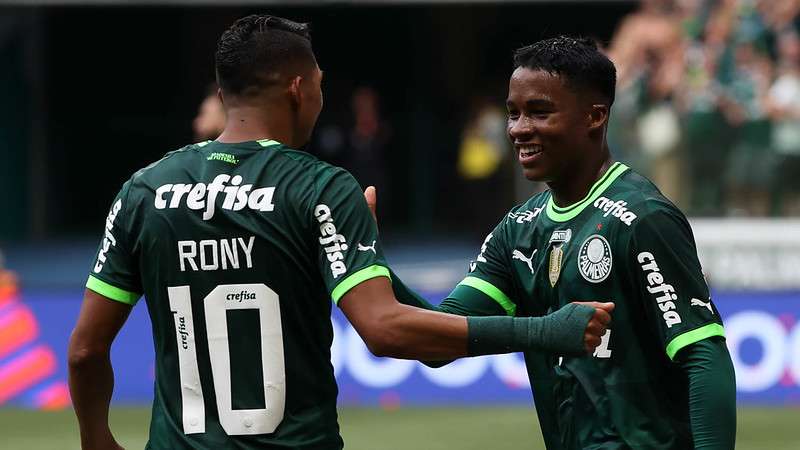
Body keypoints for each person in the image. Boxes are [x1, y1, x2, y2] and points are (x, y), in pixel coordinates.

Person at [67, 16, 613, 450]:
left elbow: (87, 350)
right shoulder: (320, 187)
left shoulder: (144, 190)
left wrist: (97, 438)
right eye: (322, 86)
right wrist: (543, 331)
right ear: (299, 89)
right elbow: (384, 330)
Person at [381, 36, 736, 449]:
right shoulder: (518, 229)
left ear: (595, 117)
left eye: (539, 112)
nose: (518, 129)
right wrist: (366, 258)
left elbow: (703, 355)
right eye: (513, 113)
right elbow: (439, 341)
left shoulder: (642, 217)